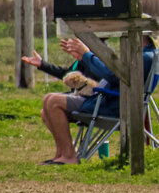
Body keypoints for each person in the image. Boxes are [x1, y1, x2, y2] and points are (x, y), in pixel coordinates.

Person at [29, 35, 155, 164]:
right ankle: (62, 154)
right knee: (47, 106)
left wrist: (86, 55)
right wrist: (82, 57)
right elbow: (72, 73)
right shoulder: (145, 55)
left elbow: (111, 75)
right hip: (106, 100)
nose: (123, 39)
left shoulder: (142, 57)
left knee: (52, 101)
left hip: (109, 104)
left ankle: (69, 155)